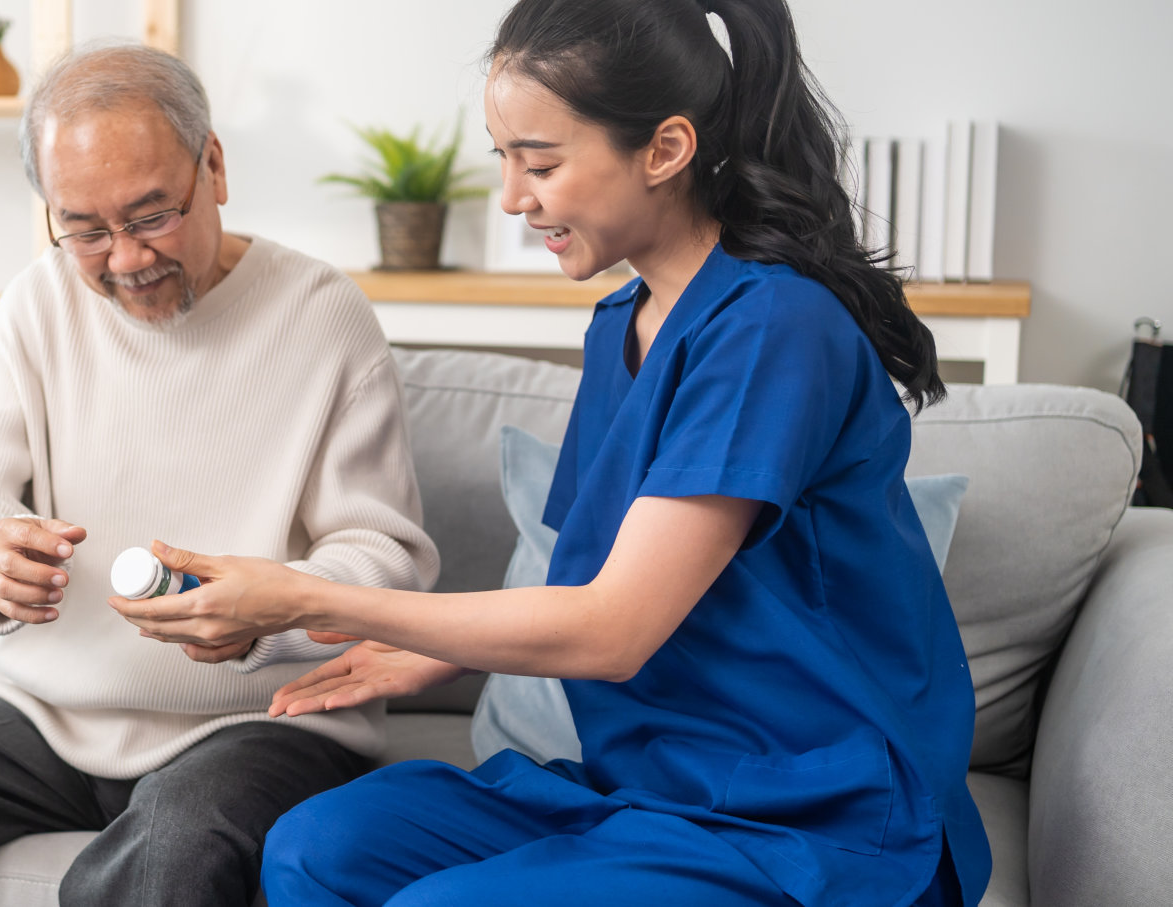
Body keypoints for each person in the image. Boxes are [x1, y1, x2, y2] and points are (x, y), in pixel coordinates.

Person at [111, 0, 992, 904]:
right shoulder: (623, 325)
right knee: (316, 846)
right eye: (504, 159)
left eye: (540, 162)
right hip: (655, 789)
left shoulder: (774, 327)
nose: (512, 197)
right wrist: (438, 655)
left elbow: (612, 628)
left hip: (811, 816)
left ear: (665, 149)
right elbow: (586, 577)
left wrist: (308, 592)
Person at [0, 44, 439, 907]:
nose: (125, 260)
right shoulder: (34, 307)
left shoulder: (322, 316)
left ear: (214, 166)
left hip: (262, 724)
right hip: (48, 718)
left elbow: (387, 553)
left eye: (151, 216)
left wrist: (265, 614)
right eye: (85, 229)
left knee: (179, 839)